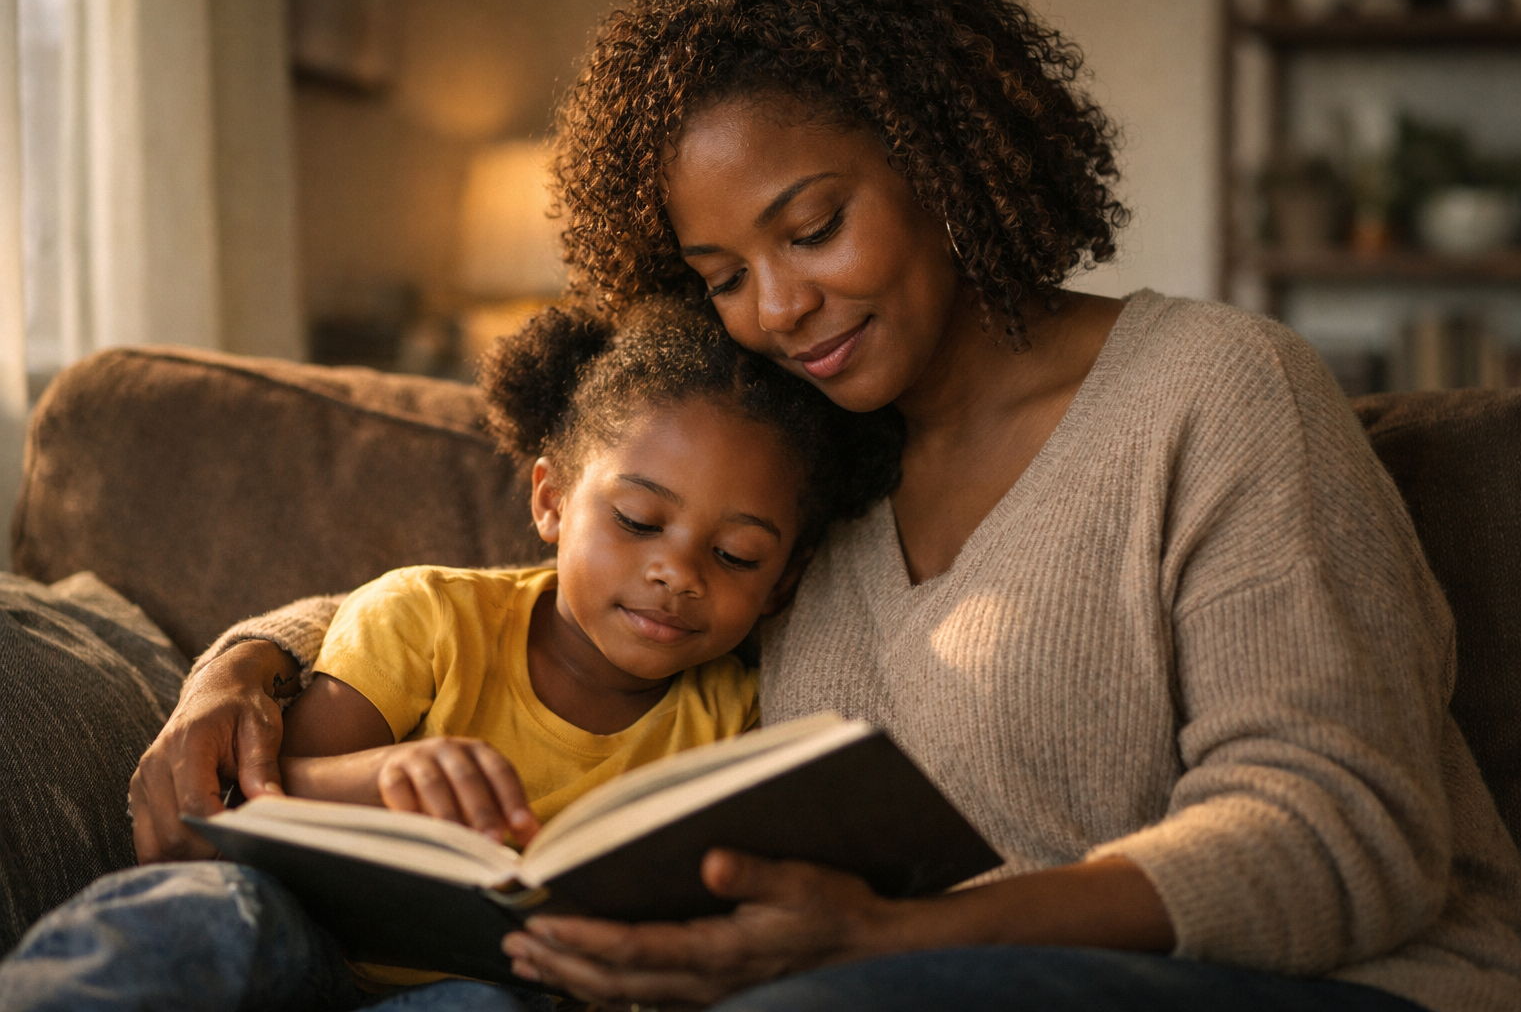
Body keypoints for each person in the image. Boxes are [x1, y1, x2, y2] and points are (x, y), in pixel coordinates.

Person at [126, 0, 1521, 1011]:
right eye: (725, 273)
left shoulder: (1218, 391)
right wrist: (238, 677)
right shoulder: (799, 474)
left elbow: (1345, 826)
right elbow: (506, 601)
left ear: (941, 151)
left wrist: (892, 943)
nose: (780, 308)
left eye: (811, 228)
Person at [0, 299, 902, 1011]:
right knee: (217, 923)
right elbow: (264, 793)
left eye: (736, 555)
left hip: (481, 992)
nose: (676, 572)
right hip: (305, 934)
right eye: (636, 521)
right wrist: (393, 776)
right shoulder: (429, 618)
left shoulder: (733, 719)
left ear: (783, 583)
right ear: (551, 501)